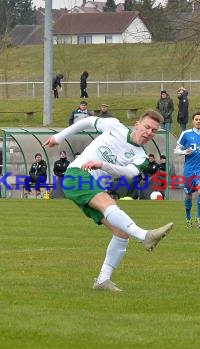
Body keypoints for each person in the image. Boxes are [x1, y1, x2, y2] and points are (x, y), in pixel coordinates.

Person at [42, 110, 174, 292]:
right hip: (77, 175)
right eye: (147, 127)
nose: (149, 132)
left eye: (154, 131)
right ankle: (144, 236)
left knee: (121, 232)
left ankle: (103, 279)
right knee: (109, 204)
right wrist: (59, 137)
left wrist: (102, 165)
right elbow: (87, 121)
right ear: (137, 124)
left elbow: (130, 173)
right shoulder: (114, 126)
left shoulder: (141, 157)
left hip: (94, 185)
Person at [173, 112, 200, 229]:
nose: (198, 121)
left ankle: (198, 217)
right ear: (193, 121)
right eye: (196, 119)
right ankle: (188, 218)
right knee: (188, 196)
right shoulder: (185, 134)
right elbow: (176, 150)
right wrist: (184, 152)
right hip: (189, 170)